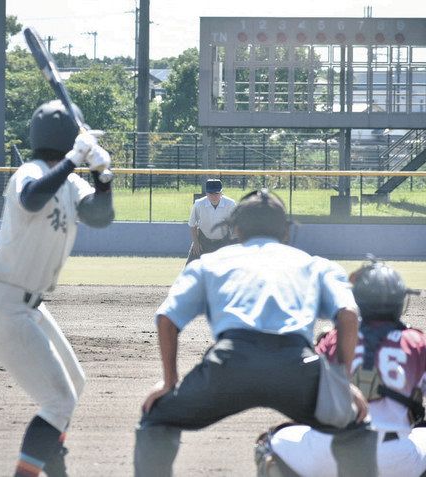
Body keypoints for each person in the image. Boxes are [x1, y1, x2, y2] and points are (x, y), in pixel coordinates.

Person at [134, 188, 371, 477]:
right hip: (296, 366)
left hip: (230, 365)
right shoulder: (314, 264)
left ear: (236, 229)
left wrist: (169, 382)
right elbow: (348, 314)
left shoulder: (210, 263)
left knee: (157, 418)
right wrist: (341, 382)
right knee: (355, 426)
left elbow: (167, 318)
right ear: (286, 231)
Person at [0, 99, 115, 477]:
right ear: (69, 138)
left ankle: (55, 465)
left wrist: (102, 177)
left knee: (73, 386)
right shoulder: (28, 171)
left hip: (27, 306)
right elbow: (32, 198)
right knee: (58, 400)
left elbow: (101, 217)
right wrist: (74, 158)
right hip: (2, 303)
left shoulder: (70, 181)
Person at [256, 258, 426, 477]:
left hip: (329, 452)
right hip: (396, 459)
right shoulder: (417, 342)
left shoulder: (335, 338)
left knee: (268, 444)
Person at [186, 178, 235, 264]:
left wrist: (233, 244)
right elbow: (192, 225)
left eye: (216, 193)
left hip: (224, 242)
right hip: (203, 241)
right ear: (206, 193)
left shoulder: (230, 204)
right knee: (189, 271)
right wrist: (196, 242)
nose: (213, 196)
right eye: (210, 193)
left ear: (221, 193)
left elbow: (235, 226)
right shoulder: (199, 204)